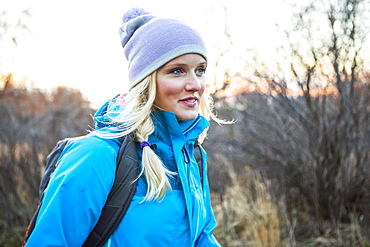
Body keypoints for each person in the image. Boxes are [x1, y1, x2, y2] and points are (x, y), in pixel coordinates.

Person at [25, 7, 227, 247]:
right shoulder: (98, 156)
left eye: (200, 70)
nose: (196, 84)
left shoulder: (190, 155)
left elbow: (202, 237)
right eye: (177, 71)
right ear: (146, 81)